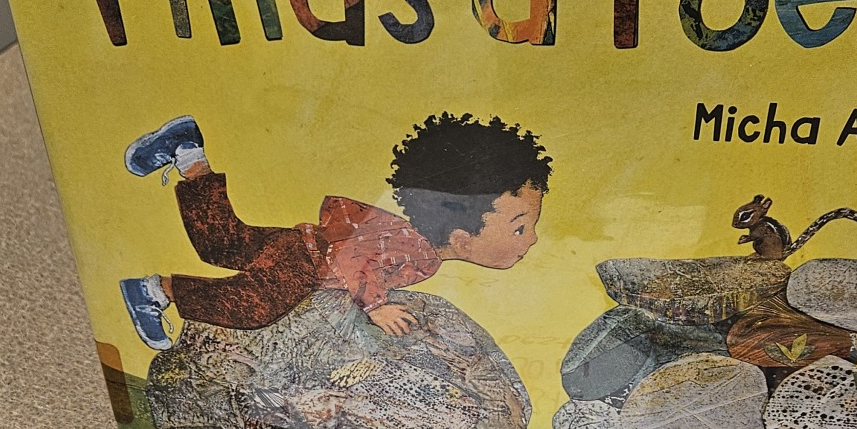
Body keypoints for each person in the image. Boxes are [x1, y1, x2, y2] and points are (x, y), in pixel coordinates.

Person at [119, 111, 552, 349]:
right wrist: (375, 305)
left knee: (223, 242)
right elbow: (352, 258)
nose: (531, 239)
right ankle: (158, 292)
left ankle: (188, 154)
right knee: (251, 307)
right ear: (461, 237)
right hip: (304, 263)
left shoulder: (407, 237)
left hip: (299, 243)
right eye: (519, 229)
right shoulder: (417, 251)